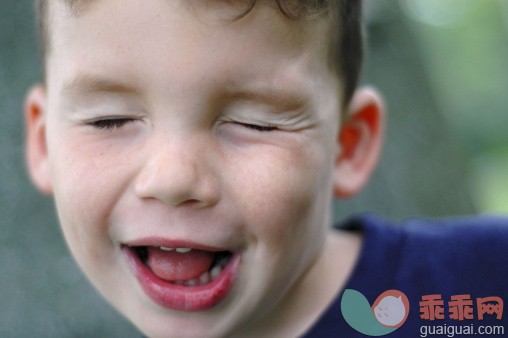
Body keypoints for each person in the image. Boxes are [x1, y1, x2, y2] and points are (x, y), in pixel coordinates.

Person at [24, 0, 508, 337]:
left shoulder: (483, 286)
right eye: (109, 120)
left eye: (252, 123)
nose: (172, 178)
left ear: (347, 145)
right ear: (45, 144)